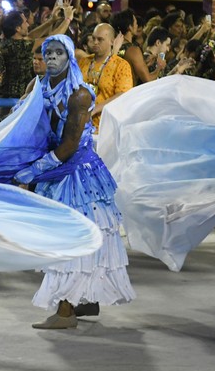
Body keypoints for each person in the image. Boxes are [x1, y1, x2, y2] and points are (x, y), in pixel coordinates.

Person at [16, 35, 135, 328]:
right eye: (48, 52)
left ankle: (66, 311)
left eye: (58, 52)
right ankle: (86, 301)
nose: (51, 57)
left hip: (77, 175)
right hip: (55, 169)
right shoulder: (37, 87)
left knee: (69, 239)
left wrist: (34, 170)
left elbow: (69, 144)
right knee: (73, 237)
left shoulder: (79, 95)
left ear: (69, 57)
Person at [78, 23, 132, 132]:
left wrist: (94, 110)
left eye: (100, 39)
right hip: (81, 124)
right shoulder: (84, 61)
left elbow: (123, 95)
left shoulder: (121, 65)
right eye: (93, 38)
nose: (95, 42)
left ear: (112, 41)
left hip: (106, 127)